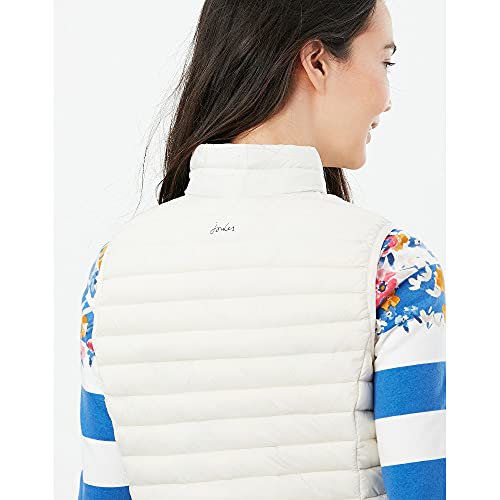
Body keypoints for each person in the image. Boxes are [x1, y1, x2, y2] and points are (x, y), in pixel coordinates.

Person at [77, 1, 446, 499]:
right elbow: (424, 488)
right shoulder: (394, 267)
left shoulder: (113, 272)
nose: (387, 98)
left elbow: (103, 491)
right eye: (385, 61)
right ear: (316, 62)